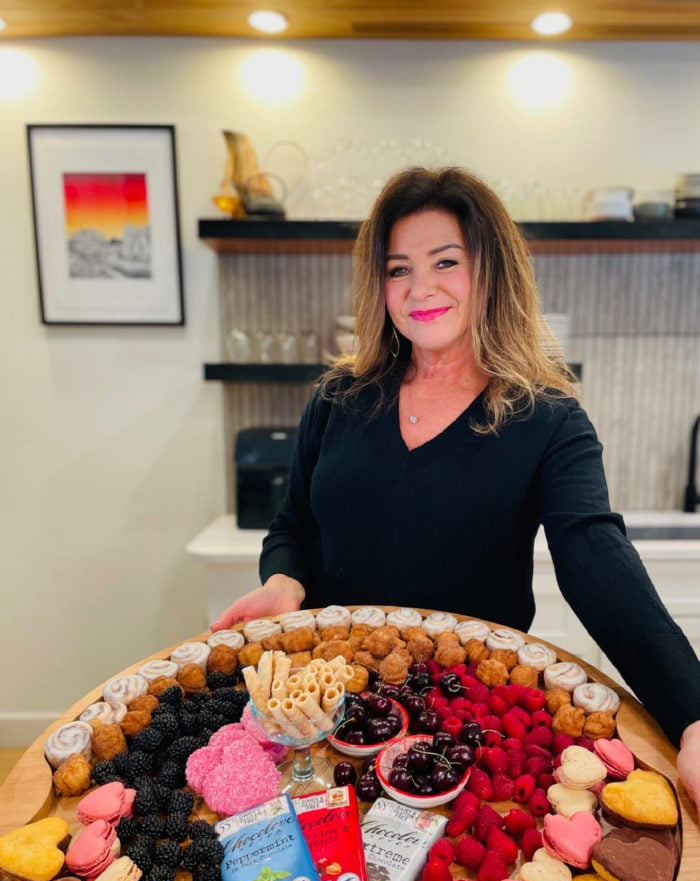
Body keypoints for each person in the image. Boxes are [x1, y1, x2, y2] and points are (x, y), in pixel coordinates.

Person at [212, 165, 700, 811]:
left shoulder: (547, 417)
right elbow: (294, 526)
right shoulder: (338, 398)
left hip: (468, 728)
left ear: (490, 270)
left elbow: (596, 560)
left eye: (446, 262)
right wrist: (284, 583)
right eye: (397, 269)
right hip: (331, 716)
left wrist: (692, 716)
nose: (420, 289)